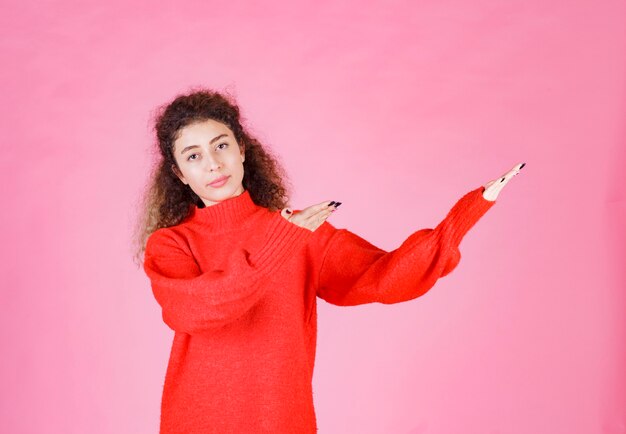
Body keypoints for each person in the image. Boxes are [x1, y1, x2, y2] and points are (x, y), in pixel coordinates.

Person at [133, 88, 525, 433]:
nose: (213, 164)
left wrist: (464, 216)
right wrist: (282, 240)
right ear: (179, 174)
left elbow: (384, 277)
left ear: (242, 149)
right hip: (196, 421)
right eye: (193, 155)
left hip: (282, 420)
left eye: (221, 146)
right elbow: (197, 309)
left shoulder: (305, 233)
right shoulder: (171, 244)